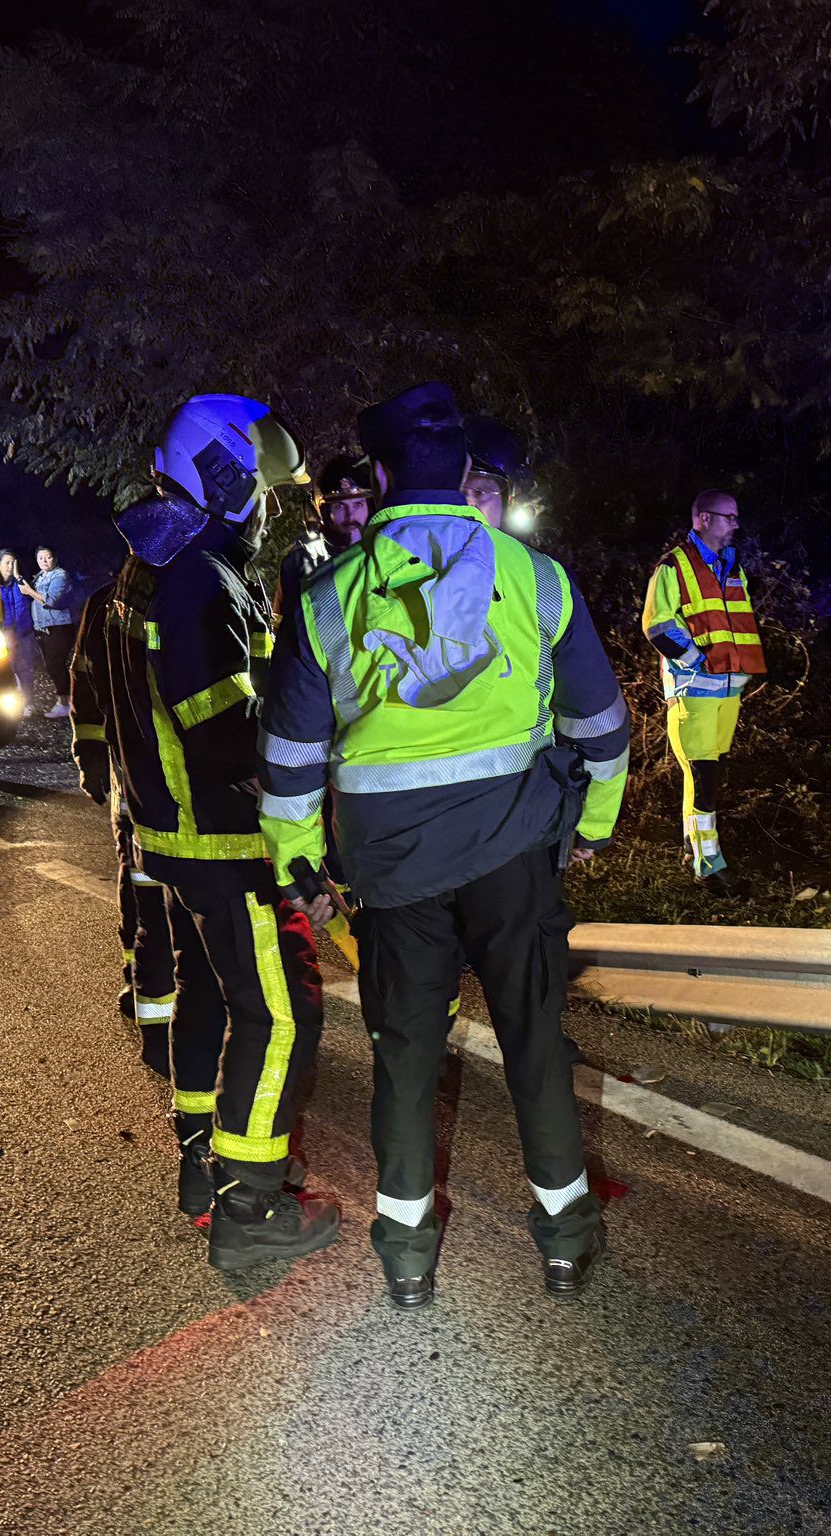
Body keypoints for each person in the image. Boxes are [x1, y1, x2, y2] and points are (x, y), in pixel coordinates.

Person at [258, 381, 630, 1309]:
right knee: (535, 1046)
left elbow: (292, 767)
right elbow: (605, 730)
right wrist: (589, 828)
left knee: (406, 1058)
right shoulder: (536, 579)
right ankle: (565, 1240)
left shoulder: (324, 602)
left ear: (378, 475)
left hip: (390, 881)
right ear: (468, 474)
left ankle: (409, 1253)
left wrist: (302, 872)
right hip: (515, 861)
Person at [99, 392, 339, 1271]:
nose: (267, 503)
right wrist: (309, 723)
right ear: (224, 472)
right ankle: (251, 1207)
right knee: (282, 1013)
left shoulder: (156, 557)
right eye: (259, 483)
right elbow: (226, 732)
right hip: (223, 842)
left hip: (172, 837)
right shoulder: (201, 572)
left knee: (208, 998)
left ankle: (202, 1163)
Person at [69, 572, 176, 1073]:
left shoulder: (187, 586)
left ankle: (151, 996)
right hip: (135, 780)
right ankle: (142, 989)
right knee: (143, 892)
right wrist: (90, 755)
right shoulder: (105, 604)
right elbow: (85, 683)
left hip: (152, 782)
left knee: (149, 893)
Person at [641, 489, 765, 891]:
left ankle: (692, 847)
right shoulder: (673, 567)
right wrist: (697, 661)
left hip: (729, 690)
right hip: (694, 689)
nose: (735, 525)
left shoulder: (732, 568)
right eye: (728, 517)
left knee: (707, 775)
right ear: (702, 518)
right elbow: (657, 625)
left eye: (735, 517)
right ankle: (709, 865)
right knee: (704, 776)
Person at [274, 454, 371, 622]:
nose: (351, 515)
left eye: (358, 504)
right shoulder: (300, 562)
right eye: (340, 506)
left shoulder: (384, 554)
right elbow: (283, 629)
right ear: (324, 511)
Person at [27, 546, 77, 719]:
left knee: (56, 664)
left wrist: (30, 592)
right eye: (40, 558)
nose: (44, 561)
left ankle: (66, 702)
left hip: (60, 626)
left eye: (48, 557)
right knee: (51, 665)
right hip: (43, 627)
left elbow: (52, 600)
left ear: (55, 558)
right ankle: (66, 699)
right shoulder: (40, 576)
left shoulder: (60, 575)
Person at [461, 415, 530, 531]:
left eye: (480, 492)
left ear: (509, 500)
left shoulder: (516, 549)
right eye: (460, 493)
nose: (468, 503)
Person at [0, 547, 39, 714]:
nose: (10, 566)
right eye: (7, 563)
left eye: (13, 562)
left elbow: (30, 594)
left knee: (25, 668)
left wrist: (18, 577)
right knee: (5, 670)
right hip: (4, 633)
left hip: (24, 632)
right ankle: (7, 706)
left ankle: (27, 704)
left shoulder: (20, 582)